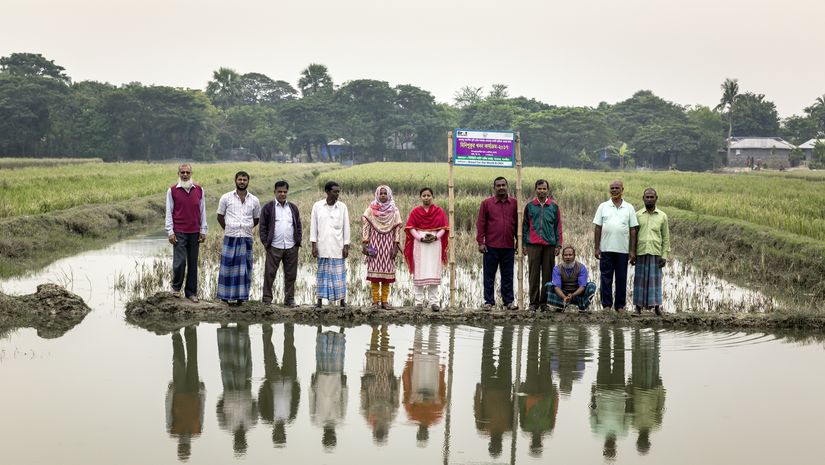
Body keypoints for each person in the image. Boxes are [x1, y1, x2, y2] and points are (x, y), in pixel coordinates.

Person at [216, 171, 261, 305]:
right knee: (227, 266)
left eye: (244, 180)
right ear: (235, 180)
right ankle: (224, 297)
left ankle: (241, 298)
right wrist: (229, 228)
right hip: (230, 236)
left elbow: (256, 218)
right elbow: (220, 216)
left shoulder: (254, 200)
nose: (242, 182)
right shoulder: (226, 198)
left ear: (248, 182)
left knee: (244, 268)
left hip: (246, 237)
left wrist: (246, 228)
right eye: (240, 179)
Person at [593, 180, 638, 312]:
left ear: (622, 189)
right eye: (612, 188)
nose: (614, 190)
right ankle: (606, 305)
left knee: (621, 278)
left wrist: (632, 251)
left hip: (623, 251)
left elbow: (633, 230)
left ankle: (620, 306)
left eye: (617, 188)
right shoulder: (603, 206)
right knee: (605, 278)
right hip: (606, 249)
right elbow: (597, 227)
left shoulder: (629, 207)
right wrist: (596, 247)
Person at [165, 163, 207, 303]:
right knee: (180, 261)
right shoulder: (172, 191)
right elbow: (169, 212)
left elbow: (202, 211)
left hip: (195, 231)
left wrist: (203, 230)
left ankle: (191, 293)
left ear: (191, 173)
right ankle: (176, 288)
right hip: (179, 231)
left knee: (193, 263)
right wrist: (170, 231)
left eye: (187, 172)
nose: (185, 175)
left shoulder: (199, 190)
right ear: (178, 174)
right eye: (182, 172)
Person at [476, 176, 519, 310]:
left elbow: (518, 223)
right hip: (491, 246)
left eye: (503, 185)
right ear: (494, 188)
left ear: (507, 186)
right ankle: (489, 302)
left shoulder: (515, 203)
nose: (501, 188)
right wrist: (480, 242)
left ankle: (508, 302)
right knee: (489, 275)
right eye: (498, 186)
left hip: (508, 246)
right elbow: (481, 223)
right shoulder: (486, 203)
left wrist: (519, 241)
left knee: (508, 275)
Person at [404, 187, 449, 311]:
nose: (426, 197)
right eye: (424, 195)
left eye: (428, 195)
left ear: (432, 196)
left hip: (434, 244)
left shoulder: (439, 211)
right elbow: (411, 228)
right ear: (420, 197)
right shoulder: (415, 212)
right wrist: (420, 238)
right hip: (420, 244)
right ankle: (418, 303)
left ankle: (434, 303)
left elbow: (444, 228)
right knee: (419, 272)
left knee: (433, 272)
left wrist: (435, 237)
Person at [216, 324, 258, 456]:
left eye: (239, 442)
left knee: (235, 361)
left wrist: (225, 397)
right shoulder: (251, 423)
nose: (240, 439)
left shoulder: (226, 425)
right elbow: (256, 405)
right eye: (241, 442)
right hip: (244, 389)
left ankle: (239, 331)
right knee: (234, 361)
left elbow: (219, 408)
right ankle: (236, 329)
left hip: (229, 390)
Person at [259, 180, 302, 307]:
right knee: (269, 274)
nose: (282, 194)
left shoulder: (293, 208)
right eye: (280, 192)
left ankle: (289, 300)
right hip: (274, 247)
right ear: (275, 192)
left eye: (284, 192)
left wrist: (297, 241)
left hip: (291, 246)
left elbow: (298, 226)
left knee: (291, 275)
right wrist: (266, 243)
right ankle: (267, 299)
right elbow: (262, 227)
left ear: (287, 192)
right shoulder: (268, 207)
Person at [522, 179, 563, 311]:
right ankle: (533, 303)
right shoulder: (530, 206)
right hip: (533, 245)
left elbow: (558, 227)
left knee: (547, 275)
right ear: (535, 190)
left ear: (548, 190)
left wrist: (558, 245)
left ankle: (544, 303)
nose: (542, 191)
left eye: (544, 189)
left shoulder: (554, 207)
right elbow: (524, 227)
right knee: (533, 275)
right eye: (539, 189)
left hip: (549, 245)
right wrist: (523, 244)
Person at [165, 326, 205, 461]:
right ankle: (191, 331)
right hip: (193, 393)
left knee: (178, 363)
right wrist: (203, 393)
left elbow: (168, 411)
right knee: (192, 361)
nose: (184, 443)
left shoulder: (172, 431)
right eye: (185, 448)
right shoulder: (197, 431)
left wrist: (169, 393)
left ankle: (176, 334)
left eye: (182, 447)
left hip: (179, 393)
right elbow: (201, 412)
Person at [402, 325, 446, 445]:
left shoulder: (412, 415)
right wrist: (442, 374)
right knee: (430, 350)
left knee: (419, 351)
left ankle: (419, 328)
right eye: (424, 433)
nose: (422, 429)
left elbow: (406, 394)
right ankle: (429, 329)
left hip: (421, 379)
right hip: (427, 380)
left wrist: (406, 373)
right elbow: (442, 395)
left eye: (421, 433)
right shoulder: (436, 417)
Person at [474, 326, 514, 458]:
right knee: (505, 355)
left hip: (489, 387)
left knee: (488, 355)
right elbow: (515, 407)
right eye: (497, 445)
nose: (495, 442)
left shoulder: (483, 428)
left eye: (494, 445)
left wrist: (478, 391)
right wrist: (515, 390)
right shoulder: (509, 428)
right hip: (504, 387)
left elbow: (477, 408)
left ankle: (490, 330)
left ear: (490, 443)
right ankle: (507, 330)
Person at [258, 323, 300, 447]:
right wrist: (295, 383)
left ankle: (266, 326)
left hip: (272, 379)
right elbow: (296, 399)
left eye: (278, 435)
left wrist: (266, 384)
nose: (280, 433)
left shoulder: (266, 417)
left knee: (267, 350)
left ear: (273, 433)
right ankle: (289, 325)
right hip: (289, 379)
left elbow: (261, 400)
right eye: (282, 435)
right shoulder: (291, 417)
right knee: (290, 348)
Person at [361, 185, 403, 309]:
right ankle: (375, 301)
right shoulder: (370, 210)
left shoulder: (394, 211)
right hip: (374, 245)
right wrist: (364, 244)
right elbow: (366, 227)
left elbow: (397, 230)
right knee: (374, 276)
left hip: (388, 246)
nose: (383, 195)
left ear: (389, 195)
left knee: (386, 276)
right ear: (377, 195)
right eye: (381, 193)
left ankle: (384, 301)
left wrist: (395, 247)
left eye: (385, 193)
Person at [310, 181, 350, 308]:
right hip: (323, 247)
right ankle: (319, 301)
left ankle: (342, 301)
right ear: (327, 192)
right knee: (322, 276)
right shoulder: (317, 206)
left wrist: (346, 246)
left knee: (339, 277)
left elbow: (346, 227)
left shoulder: (342, 207)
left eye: (338, 192)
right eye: (335, 191)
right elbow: (313, 227)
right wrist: (314, 246)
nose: (337, 194)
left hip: (338, 247)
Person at [633, 188, 671, 316]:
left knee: (655, 281)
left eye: (651, 197)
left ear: (656, 198)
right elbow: (633, 236)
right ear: (643, 198)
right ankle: (638, 308)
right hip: (641, 252)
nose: (649, 199)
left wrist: (664, 256)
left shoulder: (662, 216)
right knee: (640, 280)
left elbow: (666, 238)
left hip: (655, 252)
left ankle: (656, 307)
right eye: (647, 197)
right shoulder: (637, 215)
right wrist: (632, 253)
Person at [310, 326, 348, 450]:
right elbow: (344, 400)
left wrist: (312, 385)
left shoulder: (316, 420)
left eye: (328, 438)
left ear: (324, 436)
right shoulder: (339, 420)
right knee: (337, 353)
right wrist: (344, 385)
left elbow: (312, 399)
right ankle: (340, 332)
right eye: (332, 437)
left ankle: (320, 330)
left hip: (323, 380)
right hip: (334, 379)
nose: (330, 435)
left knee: (322, 353)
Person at [360, 325, 398, 444]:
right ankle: (381, 330)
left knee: (375, 351)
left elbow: (364, 402)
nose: (381, 427)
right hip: (383, 381)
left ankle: (377, 330)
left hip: (375, 382)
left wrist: (363, 385)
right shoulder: (389, 418)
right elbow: (395, 402)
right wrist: (395, 385)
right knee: (382, 351)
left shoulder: (369, 418)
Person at [546, 245, 597, 312]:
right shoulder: (557, 269)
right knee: (549, 285)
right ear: (562, 257)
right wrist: (564, 297)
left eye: (570, 255)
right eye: (566, 255)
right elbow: (557, 287)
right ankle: (560, 306)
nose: (568, 257)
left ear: (574, 256)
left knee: (591, 285)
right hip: (563, 293)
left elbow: (582, 286)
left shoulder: (581, 267)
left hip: (577, 293)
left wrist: (572, 295)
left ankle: (582, 306)